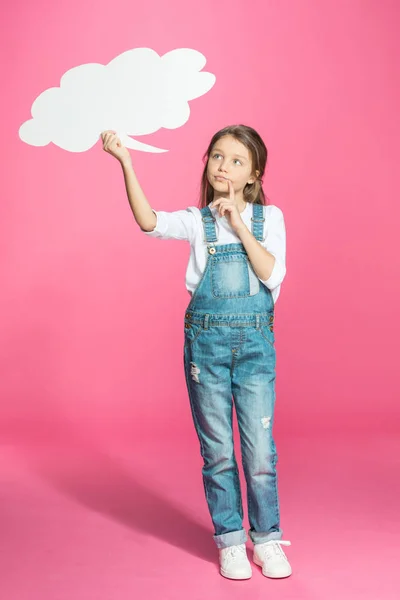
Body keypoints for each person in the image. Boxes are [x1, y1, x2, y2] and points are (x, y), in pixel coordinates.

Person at [100, 124, 292, 580]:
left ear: (254, 175)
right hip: (205, 349)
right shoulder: (196, 220)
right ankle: (229, 540)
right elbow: (149, 222)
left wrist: (240, 225)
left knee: (261, 451)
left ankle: (266, 540)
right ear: (207, 162)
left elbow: (270, 273)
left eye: (237, 160)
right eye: (217, 156)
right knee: (219, 451)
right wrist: (127, 161)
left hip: (256, 352)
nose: (224, 166)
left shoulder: (271, 219)